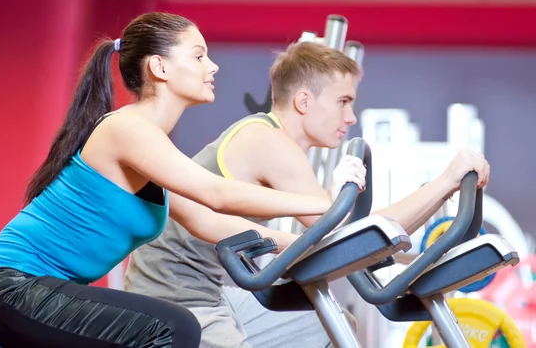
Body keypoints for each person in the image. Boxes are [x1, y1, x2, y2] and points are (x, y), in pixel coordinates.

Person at [0, 13, 354, 348]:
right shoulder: (127, 129)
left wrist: (319, 240)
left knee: (173, 326)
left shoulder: (152, 146)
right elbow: (216, 193)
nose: (213, 66)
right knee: (176, 326)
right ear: (160, 68)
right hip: (12, 290)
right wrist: (328, 204)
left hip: (33, 292)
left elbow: (211, 222)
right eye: (199, 55)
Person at [124, 41, 491, 348]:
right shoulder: (267, 141)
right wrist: (445, 182)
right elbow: (349, 238)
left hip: (212, 292)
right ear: (303, 101)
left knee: (327, 326)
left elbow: (350, 238)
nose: (350, 117)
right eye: (343, 102)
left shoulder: (274, 140)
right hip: (175, 297)